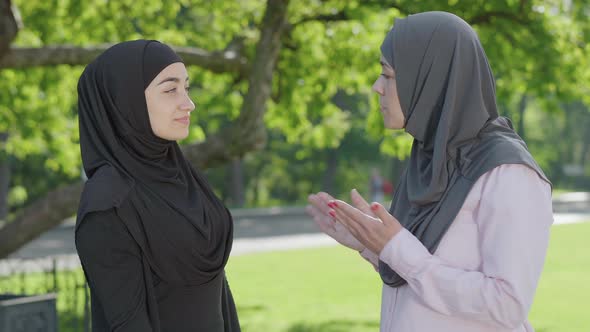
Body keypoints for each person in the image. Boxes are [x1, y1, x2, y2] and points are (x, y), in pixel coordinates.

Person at [306, 11, 553, 332]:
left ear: (429, 77)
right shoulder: (429, 160)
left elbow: (507, 304)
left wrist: (397, 249)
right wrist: (370, 242)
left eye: (388, 74)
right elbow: (422, 278)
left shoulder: (507, 171)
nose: (377, 87)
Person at [75, 40, 240, 332]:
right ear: (124, 100)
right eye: (169, 89)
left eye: (186, 88)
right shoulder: (108, 202)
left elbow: (217, 293)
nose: (188, 103)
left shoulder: (183, 177)